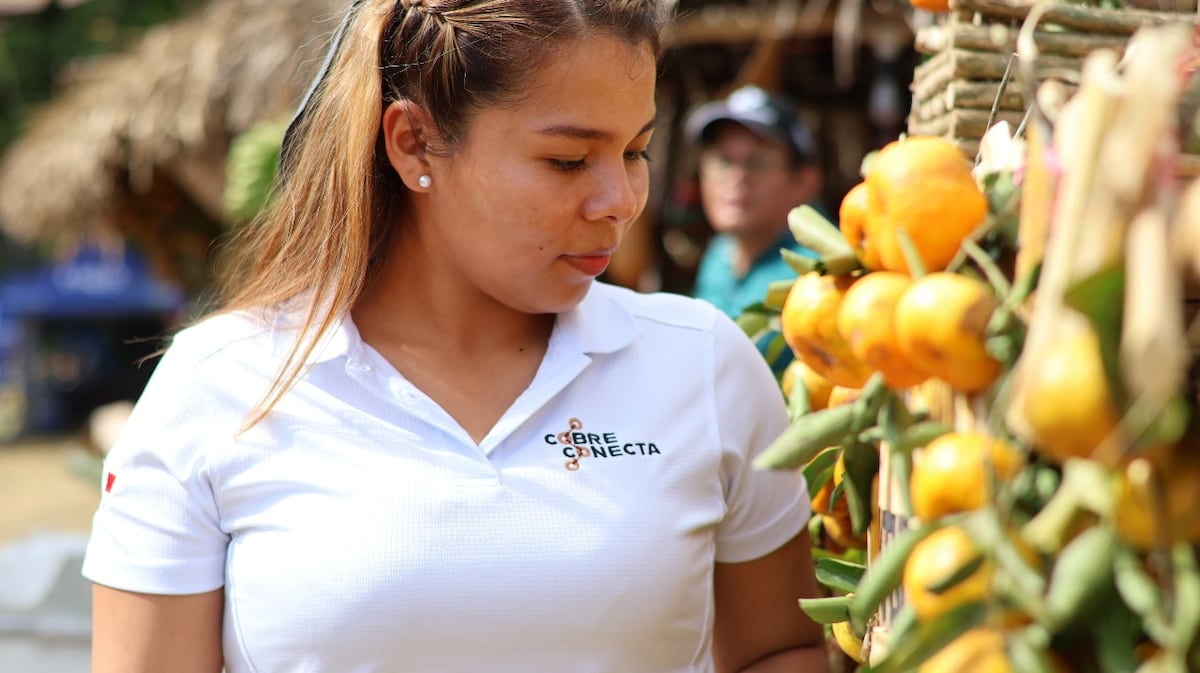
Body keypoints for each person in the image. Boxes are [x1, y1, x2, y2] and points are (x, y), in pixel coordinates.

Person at [82, 2, 829, 672]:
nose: (620, 201)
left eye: (636, 151)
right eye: (568, 160)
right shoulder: (219, 384)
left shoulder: (702, 363)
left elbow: (778, 649)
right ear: (413, 144)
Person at [685, 85, 826, 320]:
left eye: (757, 163)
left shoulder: (821, 274)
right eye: (723, 161)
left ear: (805, 181)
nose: (737, 178)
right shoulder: (721, 252)